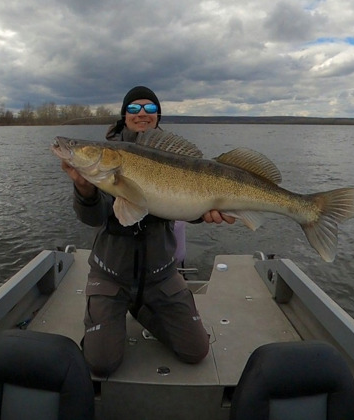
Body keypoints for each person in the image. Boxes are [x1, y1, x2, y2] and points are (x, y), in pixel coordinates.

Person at [61, 86, 234, 376]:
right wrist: (84, 189)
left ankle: (140, 308)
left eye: (150, 109)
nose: (142, 113)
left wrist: (204, 215)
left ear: (157, 116)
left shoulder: (172, 156)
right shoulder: (108, 162)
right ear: (124, 116)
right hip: (111, 274)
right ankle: (113, 310)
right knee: (101, 363)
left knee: (196, 351)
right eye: (134, 108)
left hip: (161, 276)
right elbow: (94, 216)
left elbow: (185, 204)